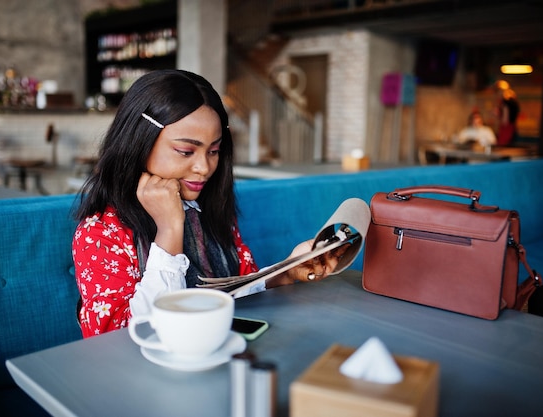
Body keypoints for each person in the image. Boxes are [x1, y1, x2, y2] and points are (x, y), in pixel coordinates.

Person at [72, 69, 349, 338]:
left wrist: (285, 272)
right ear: (138, 142)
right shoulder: (101, 232)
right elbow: (112, 339)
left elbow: (233, 292)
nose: (204, 167)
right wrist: (169, 230)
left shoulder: (206, 209)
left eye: (214, 151)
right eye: (185, 151)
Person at [494, 81, 520, 146]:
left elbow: (505, 120)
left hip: (507, 130)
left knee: (502, 147)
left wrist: (497, 115)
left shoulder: (505, 103)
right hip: (512, 128)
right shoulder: (513, 100)